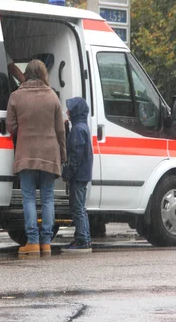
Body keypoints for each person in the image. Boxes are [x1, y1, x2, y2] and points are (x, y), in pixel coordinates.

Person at [6, 59, 66, 255]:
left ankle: (32, 241)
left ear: (27, 73)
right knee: (48, 199)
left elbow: (11, 127)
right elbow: (60, 130)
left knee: (29, 198)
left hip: (26, 155)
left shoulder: (16, 97)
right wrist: (63, 154)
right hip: (49, 155)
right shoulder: (53, 97)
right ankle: (46, 242)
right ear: (43, 74)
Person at [62, 97, 94, 252]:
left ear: (76, 111)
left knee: (77, 208)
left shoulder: (78, 130)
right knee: (81, 207)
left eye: (70, 109)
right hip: (83, 174)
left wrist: (67, 173)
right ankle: (84, 238)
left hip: (79, 175)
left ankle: (81, 240)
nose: (67, 112)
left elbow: (75, 155)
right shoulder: (81, 127)